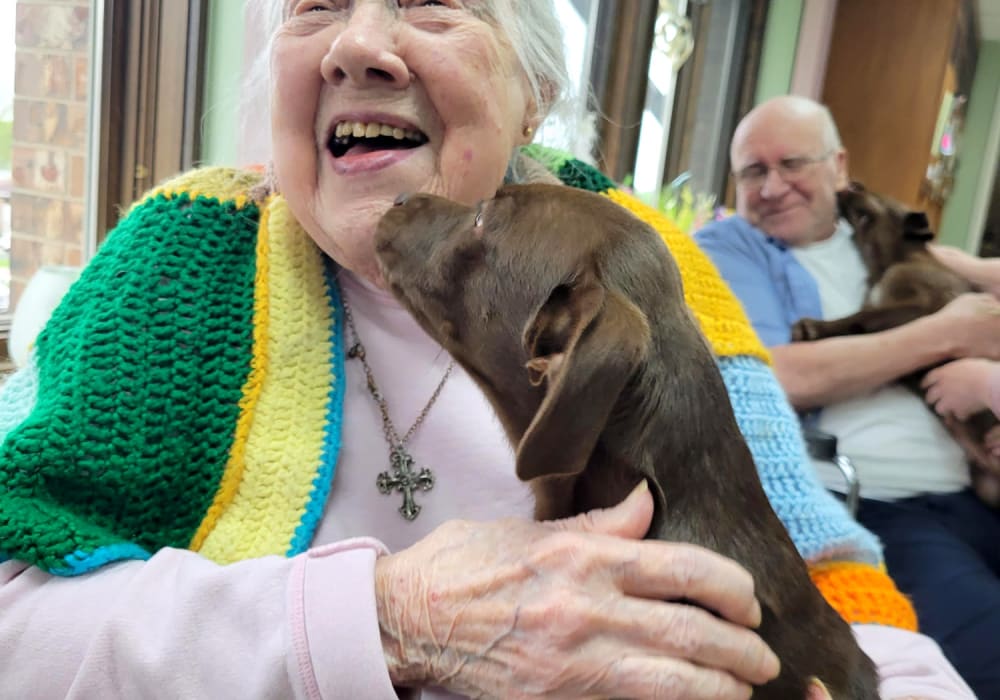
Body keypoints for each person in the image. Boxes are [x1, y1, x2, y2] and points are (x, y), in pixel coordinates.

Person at [0, 5, 970, 699]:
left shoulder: (644, 267)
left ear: (534, 94)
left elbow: (830, 587)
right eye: (316, 8)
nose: (358, 42)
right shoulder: (176, 265)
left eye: (430, 4)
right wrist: (385, 621)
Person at [696, 93, 1000, 698]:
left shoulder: (885, 232)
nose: (772, 186)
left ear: (838, 166)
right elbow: (778, 375)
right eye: (753, 171)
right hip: (879, 509)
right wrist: (947, 332)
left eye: (793, 164)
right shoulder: (733, 247)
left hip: (975, 483)